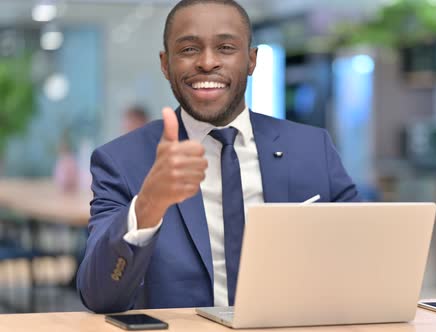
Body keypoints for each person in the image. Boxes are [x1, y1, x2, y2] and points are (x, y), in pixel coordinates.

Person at [76, 0, 359, 313]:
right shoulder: (120, 160)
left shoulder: (312, 147)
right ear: (165, 64)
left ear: (251, 60)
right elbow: (99, 296)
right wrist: (148, 205)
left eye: (225, 47)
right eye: (188, 49)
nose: (207, 62)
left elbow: (365, 257)